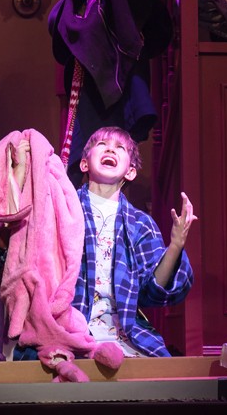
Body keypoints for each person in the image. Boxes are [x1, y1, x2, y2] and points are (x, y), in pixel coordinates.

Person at [69, 126, 197, 357]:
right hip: (72, 329)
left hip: (125, 336)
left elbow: (152, 292)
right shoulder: (66, 208)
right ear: (84, 164)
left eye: (120, 147)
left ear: (130, 172)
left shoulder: (140, 223)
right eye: (102, 144)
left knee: (163, 371)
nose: (110, 149)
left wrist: (176, 245)